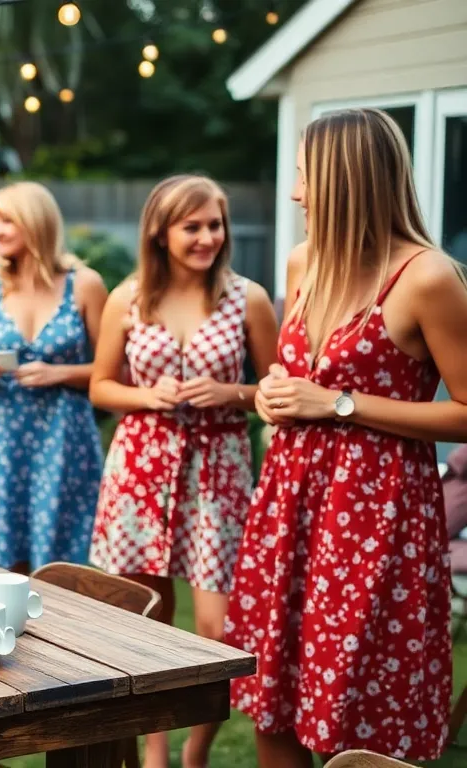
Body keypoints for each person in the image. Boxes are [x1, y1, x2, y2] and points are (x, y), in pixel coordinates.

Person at [228, 108, 467, 766]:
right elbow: (301, 372)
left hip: (376, 517)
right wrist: (277, 393)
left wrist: (337, 404)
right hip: (290, 503)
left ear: (343, 180)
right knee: (275, 699)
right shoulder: (304, 262)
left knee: (359, 711)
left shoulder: (428, 278)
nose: (295, 193)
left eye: (304, 176)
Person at [88, 174, 278, 768]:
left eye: (214, 225)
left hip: (217, 474)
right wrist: (149, 396)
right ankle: (155, 751)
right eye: (191, 226)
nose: (206, 237)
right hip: (140, 468)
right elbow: (100, 386)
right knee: (148, 620)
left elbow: (276, 391)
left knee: (219, 628)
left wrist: (230, 391)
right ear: (161, 233)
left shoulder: (248, 298)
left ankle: (196, 750)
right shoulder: (128, 297)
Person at [0, 182, 107, 572]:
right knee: (5, 560)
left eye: (8, 220)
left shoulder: (85, 284)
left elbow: (114, 372)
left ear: (37, 223)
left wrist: (58, 372)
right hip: (3, 438)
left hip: (65, 437)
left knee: (61, 560)